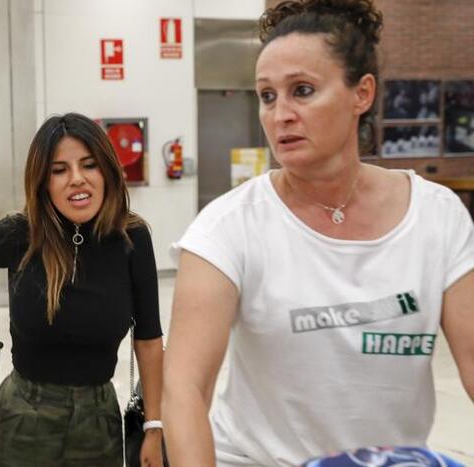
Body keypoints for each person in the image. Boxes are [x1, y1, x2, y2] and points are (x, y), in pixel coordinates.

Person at [162, 1, 474, 466]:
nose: (279, 114)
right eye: (267, 96)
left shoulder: (437, 216)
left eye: (302, 90)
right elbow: (185, 388)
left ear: (361, 94)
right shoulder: (228, 227)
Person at [0, 113, 165, 467]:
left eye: (89, 165)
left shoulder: (131, 238)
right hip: (22, 418)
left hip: (99, 422)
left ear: (106, 171)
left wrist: (154, 427)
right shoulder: (20, 232)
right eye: (59, 170)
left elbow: (149, 339)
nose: (77, 179)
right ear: (43, 181)